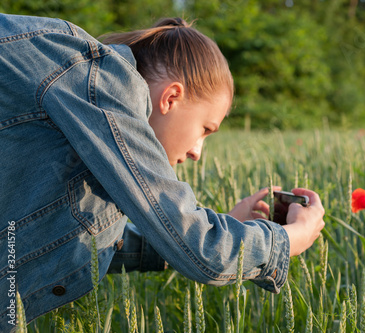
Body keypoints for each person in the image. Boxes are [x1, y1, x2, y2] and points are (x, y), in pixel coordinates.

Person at [0, 13, 325, 330]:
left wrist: (177, 238)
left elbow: (83, 236)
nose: (197, 152)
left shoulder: (88, 83)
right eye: (205, 129)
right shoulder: (110, 84)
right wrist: (288, 239)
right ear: (171, 97)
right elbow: (200, 250)